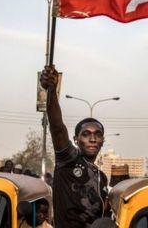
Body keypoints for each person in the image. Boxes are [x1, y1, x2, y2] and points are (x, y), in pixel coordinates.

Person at [40, 65, 109, 227]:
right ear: (76, 139)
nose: (92, 139)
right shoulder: (69, 159)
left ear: (103, 141)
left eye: (97, 134)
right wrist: (51, 89)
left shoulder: (102, 178)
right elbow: (57, 128)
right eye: (86, 134)